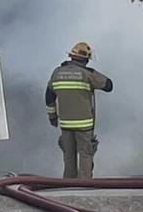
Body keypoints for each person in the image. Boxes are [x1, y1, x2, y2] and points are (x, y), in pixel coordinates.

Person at [44, 41, 113, 179]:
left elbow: (49, 96)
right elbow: (109, 86)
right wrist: (93, 74)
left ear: (71, 56)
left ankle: (68, 188)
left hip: (65, 125)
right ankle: (84, 189)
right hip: (84, 126)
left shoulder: (57, 73)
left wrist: (52, 117)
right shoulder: (88, 74)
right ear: (86, 59)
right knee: (86, 158)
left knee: (68, 159)